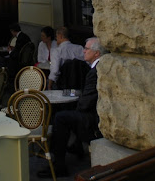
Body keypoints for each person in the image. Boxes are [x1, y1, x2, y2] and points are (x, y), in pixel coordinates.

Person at [37, 37, 107, 178]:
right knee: (66, 114)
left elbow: (87, 102)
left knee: (61, 118)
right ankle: (75, 147)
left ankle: (59, 165)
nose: (83, 51)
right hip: (96, 114)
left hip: (94, 120)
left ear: (97, 53)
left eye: (87, 49)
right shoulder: (99, 68)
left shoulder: (95, 72)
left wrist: (77, 107)